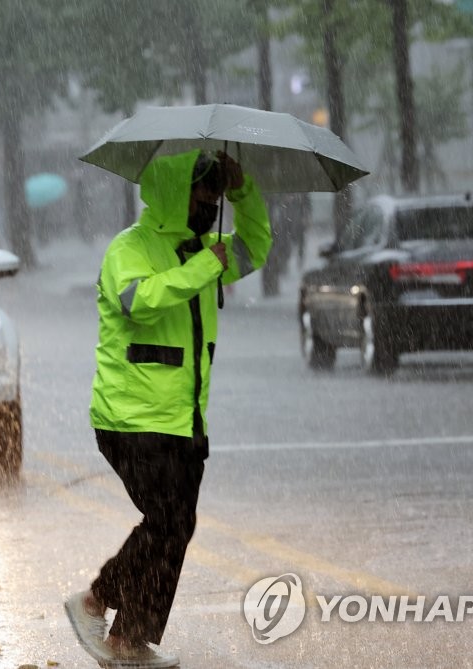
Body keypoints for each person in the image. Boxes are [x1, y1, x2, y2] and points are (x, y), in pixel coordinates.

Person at [64, 149, 272, 668]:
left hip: (185, 420)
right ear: (176, 191)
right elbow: (140, 301)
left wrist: (244, 192)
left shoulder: (206, 249)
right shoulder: (129, 248)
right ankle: (95, 601)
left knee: (176, 526)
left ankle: (126, 639)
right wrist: (205, 266)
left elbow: (257, 248)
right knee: (168, 519)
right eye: (205, 191)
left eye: (217, 194)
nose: (211, 201)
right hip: (130, 418)